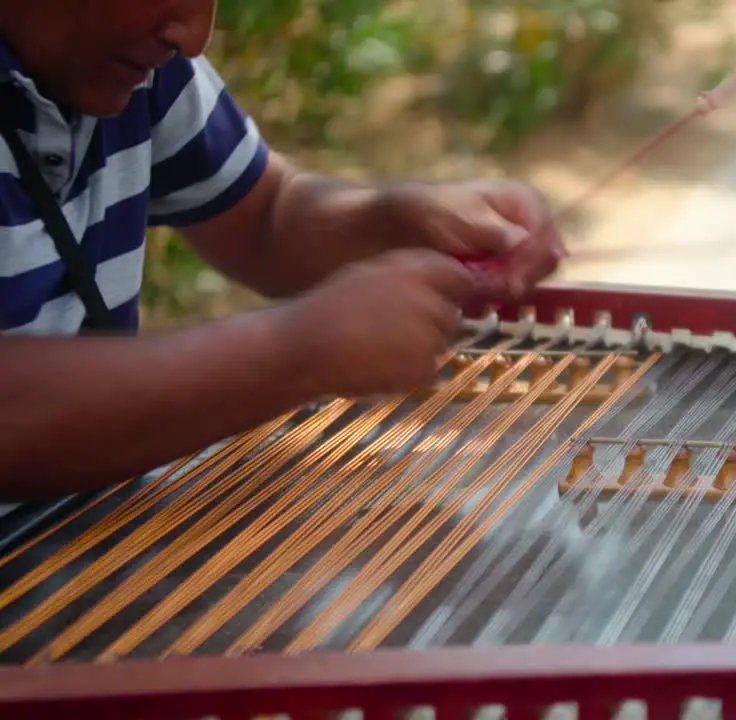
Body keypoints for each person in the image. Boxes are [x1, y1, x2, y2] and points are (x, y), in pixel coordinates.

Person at [0, 2, 568, 503]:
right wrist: (290, 352)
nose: (194, 36)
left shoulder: (139, 67)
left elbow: (267, 215)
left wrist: (395, 221)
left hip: (86, 547)